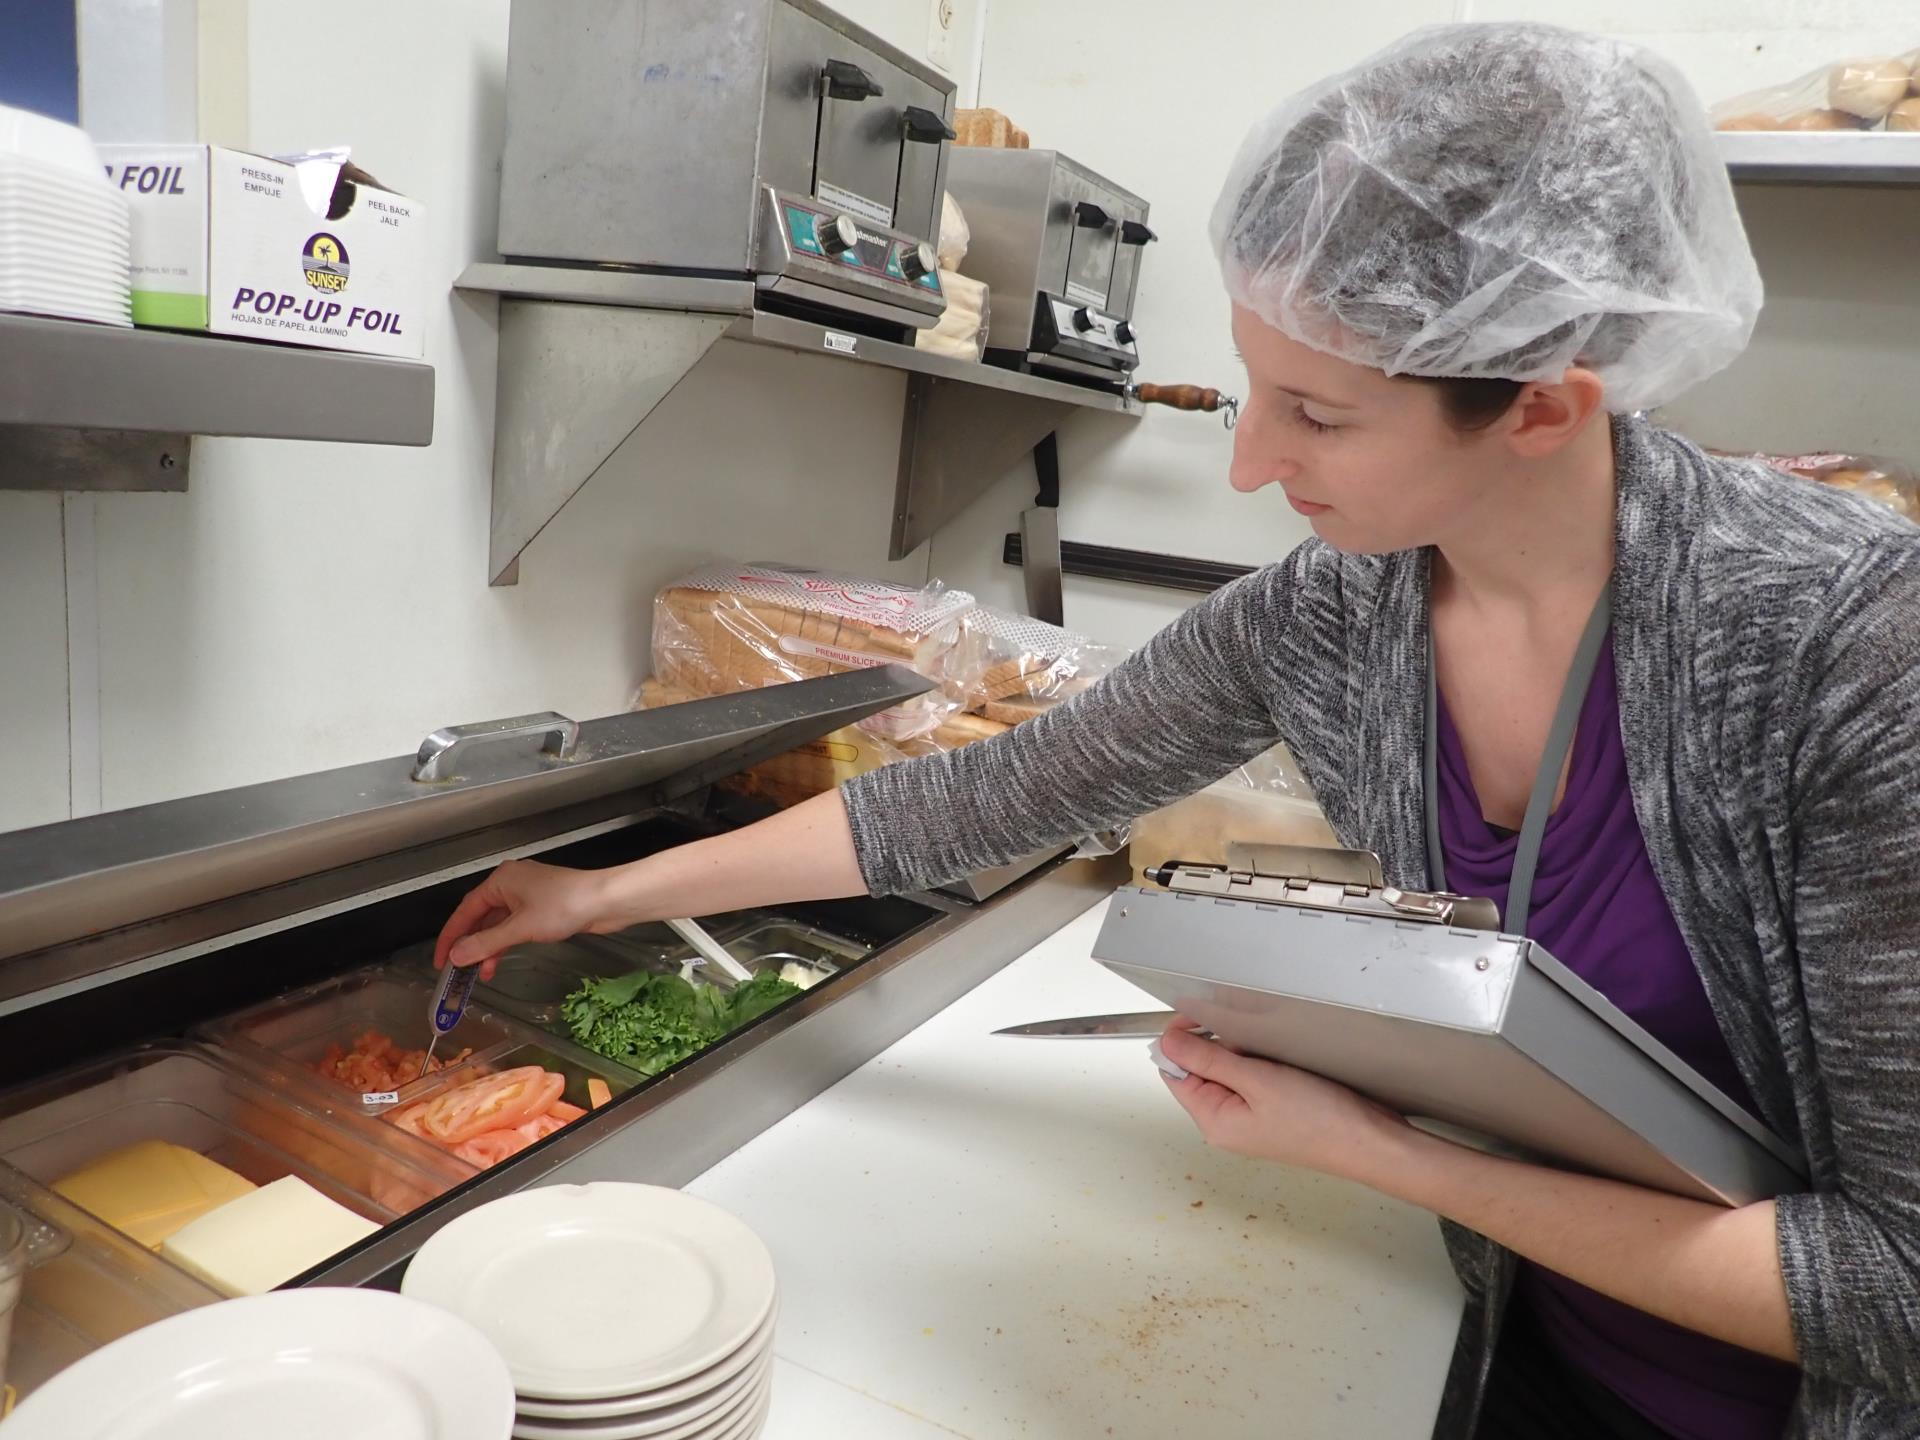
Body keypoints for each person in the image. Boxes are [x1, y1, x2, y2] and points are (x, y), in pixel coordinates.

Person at [434, 23, 1920, 1440]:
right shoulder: (1336, 614)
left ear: (1542, 406)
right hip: (1514, 1334)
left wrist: (1374, 1153)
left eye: (1320, 418)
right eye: (1254, 390)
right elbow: (988, 797)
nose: (1258, 464)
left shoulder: (1842, 646)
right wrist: (601, 894)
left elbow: (1894, 1291)